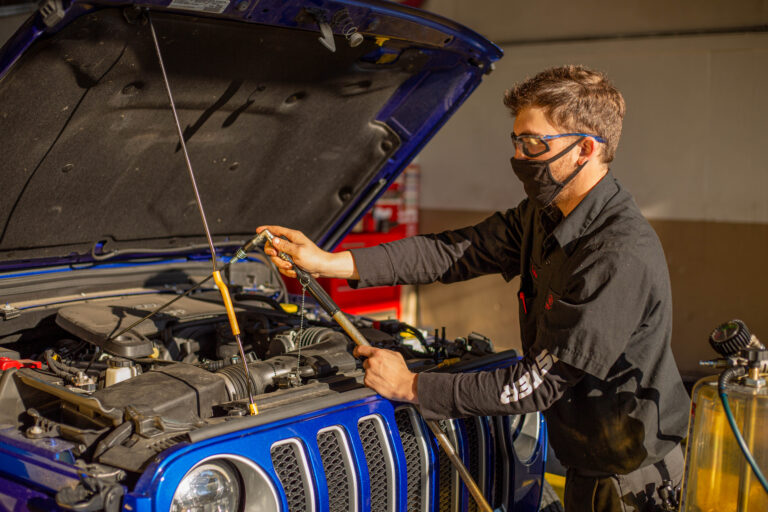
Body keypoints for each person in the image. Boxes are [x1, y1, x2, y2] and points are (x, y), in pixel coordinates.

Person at [258, 65, 690, 512]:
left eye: (535, 144)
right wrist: (328, 263)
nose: (520, 156)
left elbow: (537, 386)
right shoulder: (544, 216)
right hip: (587, 461)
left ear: (585, 148)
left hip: (629, 481)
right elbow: (454, 252)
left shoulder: (615, 252)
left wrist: (413, 386)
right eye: (517, 141)